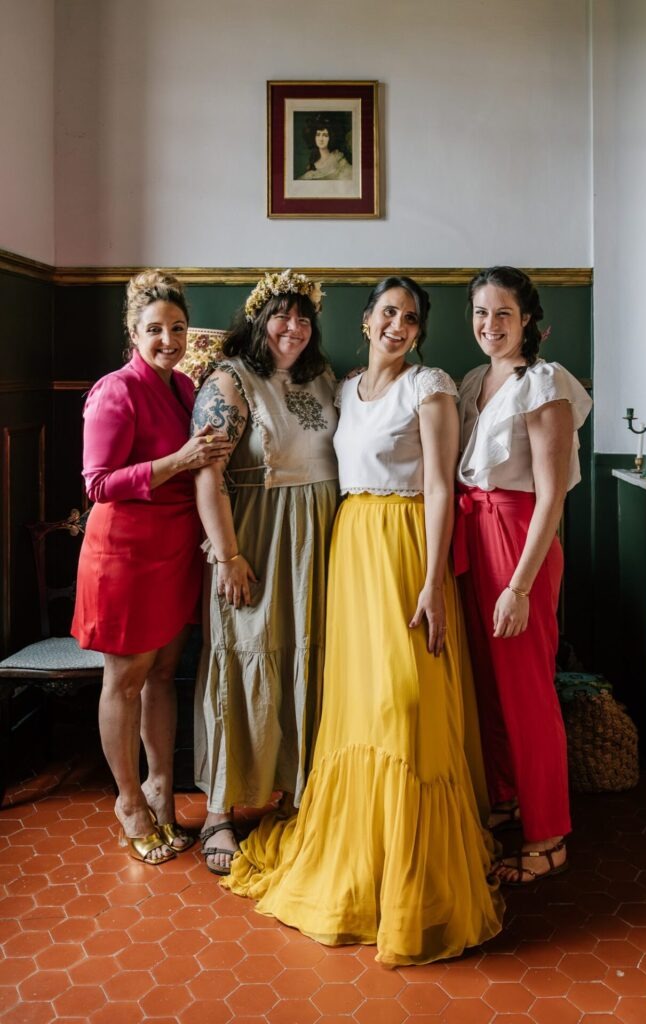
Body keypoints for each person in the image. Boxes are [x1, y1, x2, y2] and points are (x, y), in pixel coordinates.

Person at [224, 277, 504, 967]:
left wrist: (434, 582)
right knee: (355, 708)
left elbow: (440, 485)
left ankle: (417, 878)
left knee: (407, 702)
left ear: (419, 329)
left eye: (410, 317)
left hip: (407, 546)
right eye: (387, 313)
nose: (397, 325)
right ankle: (360, 858)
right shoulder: (344, 390)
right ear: (366, 319)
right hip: (351, 546)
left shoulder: (429, 385)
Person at [72, 270, 231, 864]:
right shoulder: (115, 390)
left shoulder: (186, 388)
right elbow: (99, 484)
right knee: (126, 679)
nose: (168, 338)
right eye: (155, 329)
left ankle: (163, 789)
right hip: (126, 557)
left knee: (164, 673)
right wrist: (180, 460)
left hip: (174, 550)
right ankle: (130, 802)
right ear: (133, 332)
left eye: (177, 328)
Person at [191, 270, 338, 876]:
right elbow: (207, 473)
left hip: (321, 539)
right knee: (244, 655)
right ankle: (219, 812)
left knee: (307, 662)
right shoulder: (231, 379)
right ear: (258, 319)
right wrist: (227, 554)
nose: (293, 328)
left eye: (304, 318)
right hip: (255, 534)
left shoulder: (324, 380)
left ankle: (296, 791)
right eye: (282, 316)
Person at [453, 265, 593, 885]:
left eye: (503, 313)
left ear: (528, 318)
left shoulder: (545, 383)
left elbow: (551, 496)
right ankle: (507, 797)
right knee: (487, 682)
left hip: (520, 539)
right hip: (471, 531)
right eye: (481, 313)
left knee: (527, 690)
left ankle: (548, 834)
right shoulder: (473, 381)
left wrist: (520, 585)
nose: (491, 325)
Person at [299, 115, 352, 181]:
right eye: (318, 135)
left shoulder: (339, 160)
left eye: (325, 135)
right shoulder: (314, 162)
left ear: (331, 137)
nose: (321, 139)